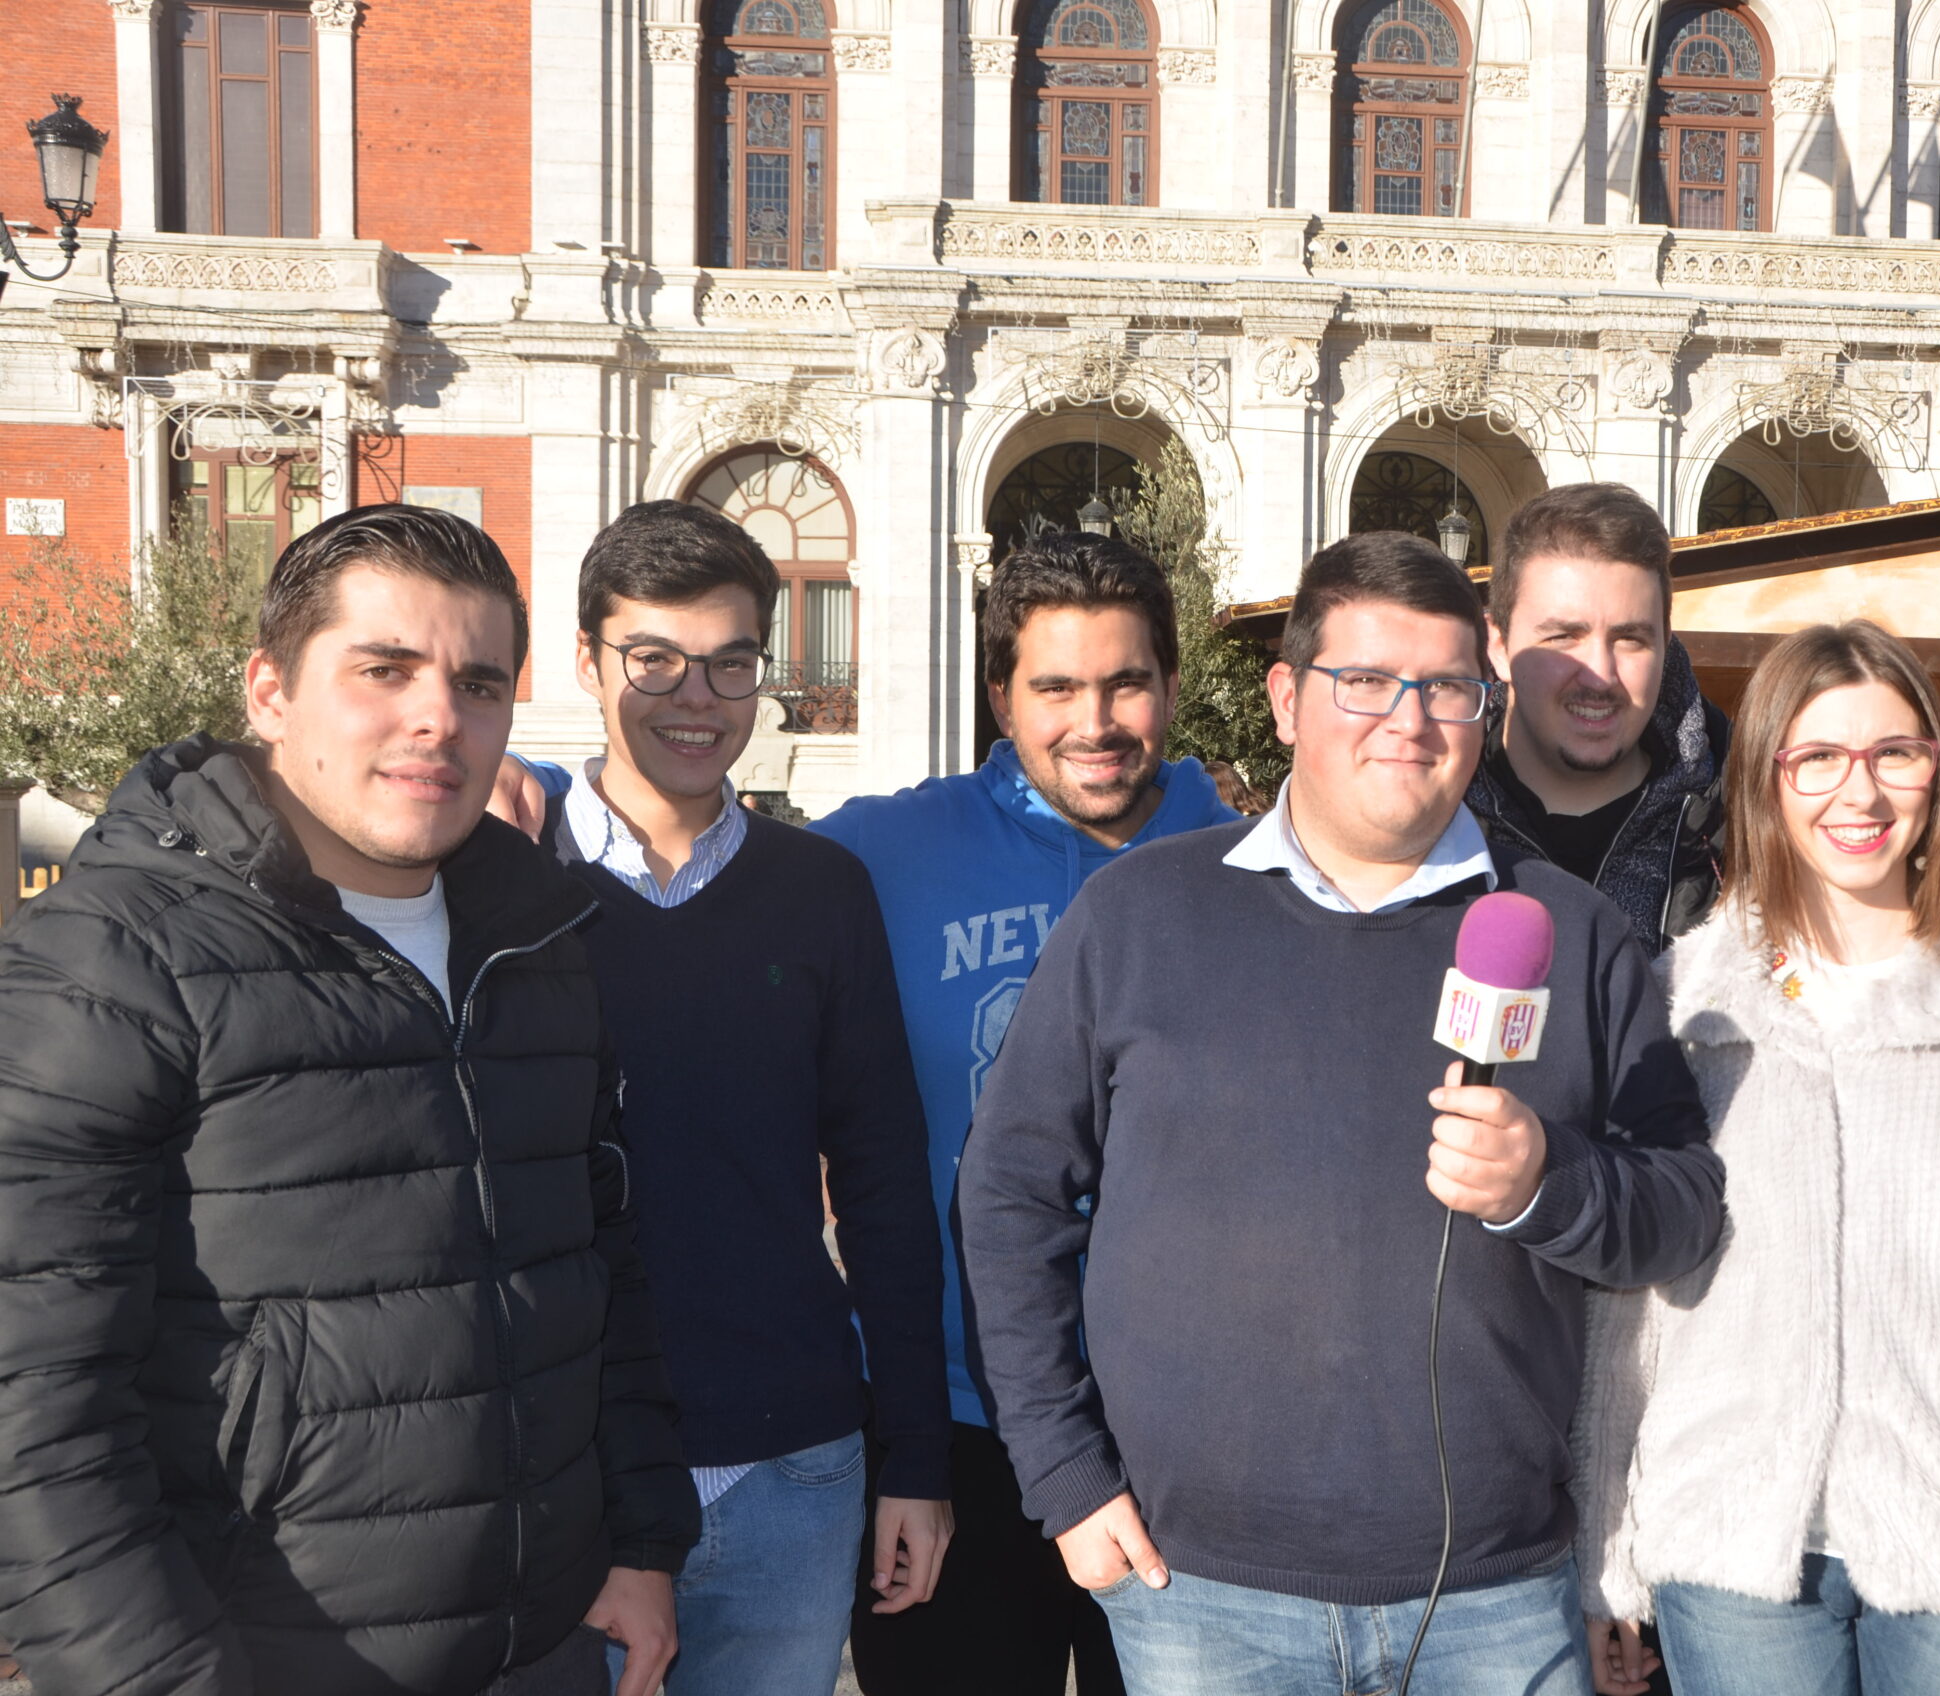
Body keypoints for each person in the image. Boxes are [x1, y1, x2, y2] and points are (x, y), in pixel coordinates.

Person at [957, 532, 1728, 1696]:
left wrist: (1548, 1184)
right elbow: (1009, 1199)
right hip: (1195, 1592)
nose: (1407, 721)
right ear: (1285, 700)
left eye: (1447, 688)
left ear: (1485, 710)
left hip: (1495, 1596)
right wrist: (1064, 1477)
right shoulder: (1134, 916)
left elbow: (1684, 1207)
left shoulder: (1569, 935)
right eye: (1365, 681)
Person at [0, 505, 699, 1696]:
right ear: (269, 692)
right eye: (385, 669)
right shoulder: (108, 960)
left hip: (542, 1643)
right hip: (263, 1655)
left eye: (478, 683)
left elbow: (597, 1264)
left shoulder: (537, 939)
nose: (439, 717)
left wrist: (639, 1540)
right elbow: (33, 1402)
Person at [1577, 619, 1940, 1696]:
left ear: (1936, 770)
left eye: (1894, 752)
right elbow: (1633, 1310)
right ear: (1766, 778)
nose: (1859, 791)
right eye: (1817, 756)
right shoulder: (1685, 998)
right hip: (1729, 1540)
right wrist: (1605, 1554)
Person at [500, 502, 952, 1693]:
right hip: (558, 1475)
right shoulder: (503, 882)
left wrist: (915, 1454)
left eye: (731, 662)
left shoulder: (822, 890)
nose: (696, 698)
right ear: (587, 659)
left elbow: (884, 1184)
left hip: (788, 1469)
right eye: (654, 659)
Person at [812, 536, 1237, 1696]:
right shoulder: (887, 850)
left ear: (1171, 685)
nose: (1093, 722)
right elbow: (701, 859)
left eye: (1125, 683)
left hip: (1182, 1433)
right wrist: (539, 798)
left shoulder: (1250, 860)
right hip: (951, 1427)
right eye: (1055, 687)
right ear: (1000, 698)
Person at [1468, 482, 1728, 956]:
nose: (1601, 675)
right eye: (1564, 636)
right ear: (1499, 646)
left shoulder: (1751, 827)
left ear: (1665, 643)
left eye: (1630, 639)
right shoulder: (1430, 820)